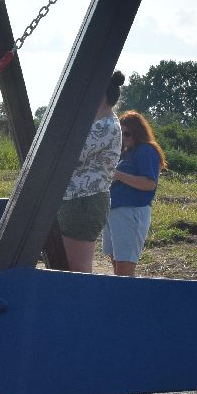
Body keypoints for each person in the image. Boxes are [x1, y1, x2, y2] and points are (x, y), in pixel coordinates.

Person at [56, 70, 124, 272]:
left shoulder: (105, 126)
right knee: (66, 265)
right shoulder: (98, 124)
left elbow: (69, 154)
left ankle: (79, 294)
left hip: (84, 202)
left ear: (99, 95)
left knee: (76, 267)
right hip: (78, 200)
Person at [102, 110, 164, 277]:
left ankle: (126, 294)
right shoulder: (126, 152)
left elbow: (149, 184)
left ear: (138, 132)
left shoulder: (146, 150)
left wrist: (118, 175)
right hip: (115, 212)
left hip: (131, 213)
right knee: (117, 266)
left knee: (124, 271)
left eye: (127, 134)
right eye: (120, 134)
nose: (124, 138)